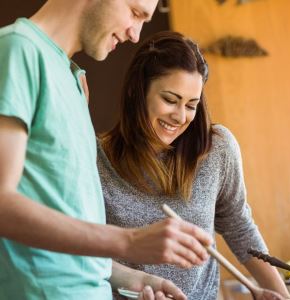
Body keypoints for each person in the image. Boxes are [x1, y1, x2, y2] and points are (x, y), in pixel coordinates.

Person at [0, 1, 213, 299]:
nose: (135, 34)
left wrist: (135, 278)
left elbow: (69, 238)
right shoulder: (17, 50)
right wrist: (128, 241)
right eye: (135, 12)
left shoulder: (72, 78)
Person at [97, 30, 290, 300]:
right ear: (137, 92)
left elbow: (239, 226)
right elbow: (88, 252)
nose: (180, 116)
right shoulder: (97, 159)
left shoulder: (218, 149)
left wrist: (283, 295)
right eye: (169, 100)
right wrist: (137, 284)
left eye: (192, 105)